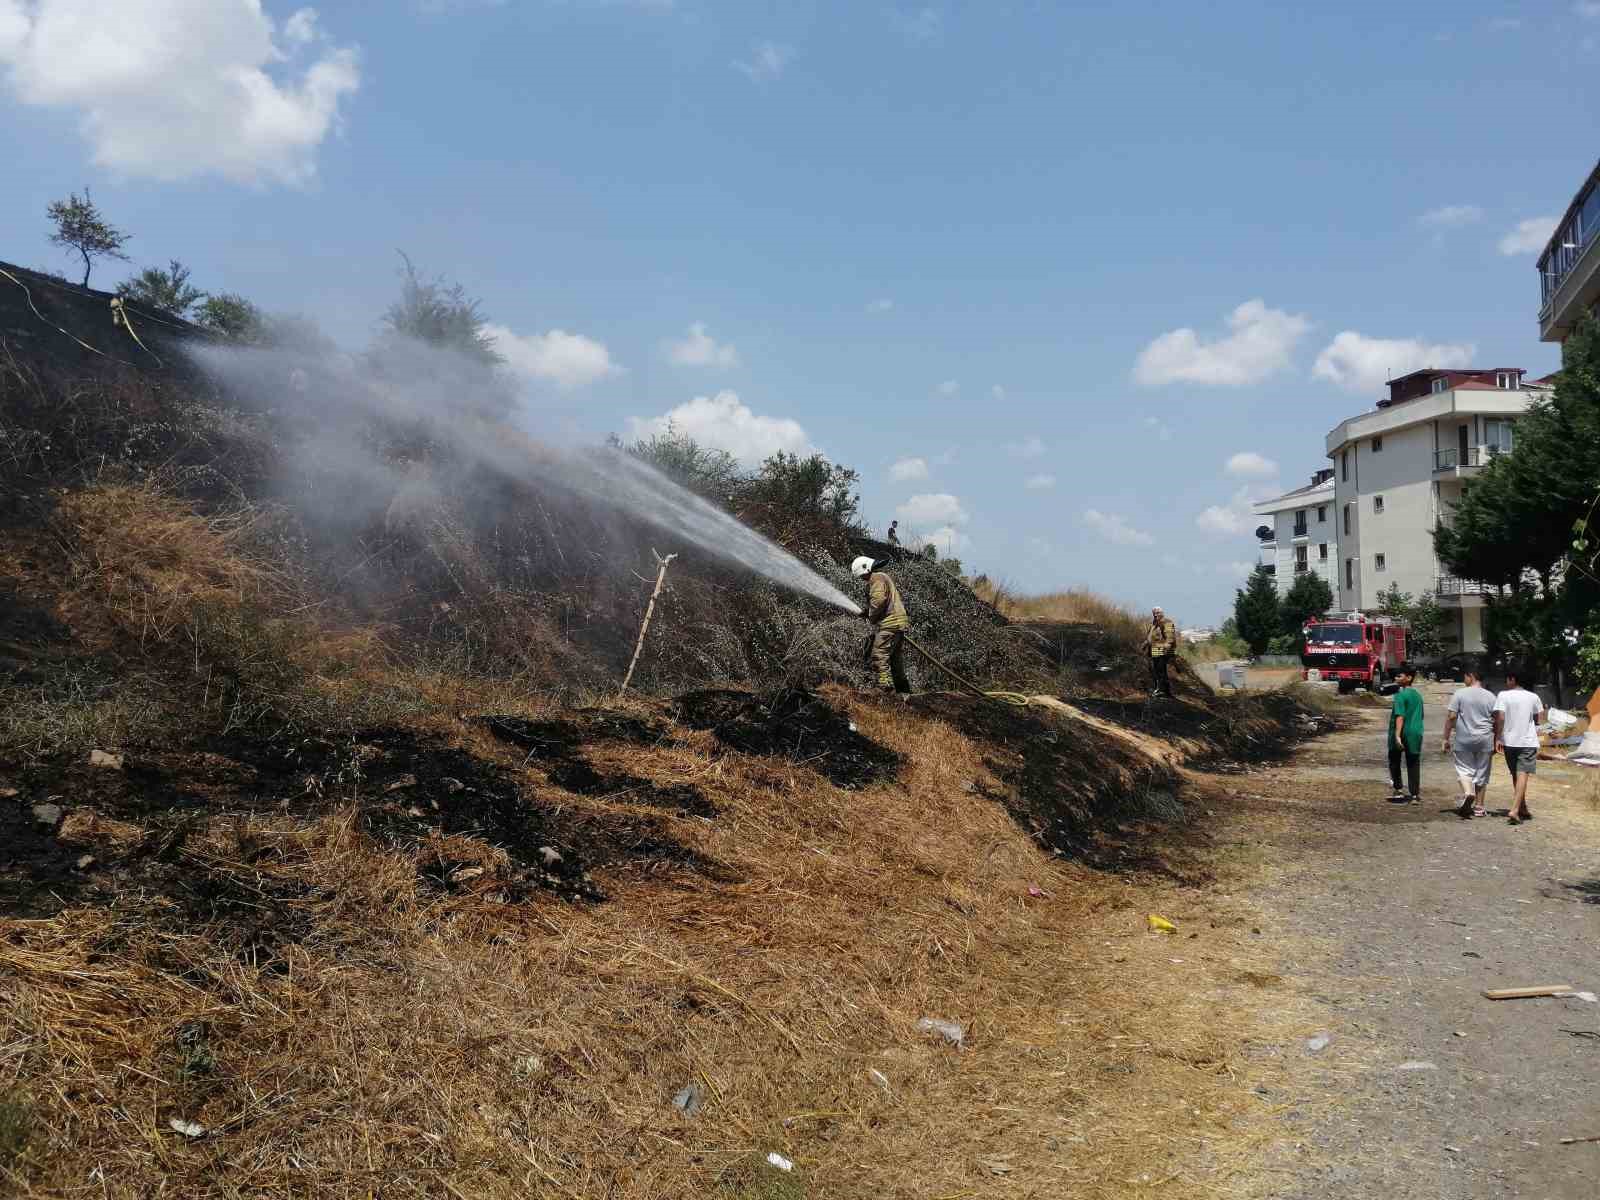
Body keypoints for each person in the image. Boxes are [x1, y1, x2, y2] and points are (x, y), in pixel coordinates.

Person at [851, 555, 911, 695]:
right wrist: (866, 612)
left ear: (865, 569)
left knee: (879, 654)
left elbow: (878, 600)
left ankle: (885, 687)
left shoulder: (876, 578)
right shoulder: (880, 577)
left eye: (861, 576)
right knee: (895, 659)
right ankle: (903, 691)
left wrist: (870, 615)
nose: (861, 579)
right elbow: (879, 601)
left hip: (891, 623)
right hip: (897, 622)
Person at [1442, 667, 1495, 818]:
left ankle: (1468, 792)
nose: (1463, 679)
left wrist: (1445, 738)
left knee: (1464, 768)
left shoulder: (1460, 694)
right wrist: (1498, 738)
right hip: (1485, 739)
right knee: (1482, 772)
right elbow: (1497, 719)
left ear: (1471, 676)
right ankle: (1479, 807)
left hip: (1464, 739)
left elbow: (1452, 717)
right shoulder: (1491, 696)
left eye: (1464, 676)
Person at [1493, 670, 1545, 825]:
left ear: (1512, 679)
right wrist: (1538, 733)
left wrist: (1498, 737)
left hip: (1509, 741)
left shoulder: (1503, 695)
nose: (1506, 683)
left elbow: (1500, 717)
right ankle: (1516, 810)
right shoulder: (1533, 697)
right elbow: (1540, 718)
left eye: (1507, 680)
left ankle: (1521, 807)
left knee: (1516, 775)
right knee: (1522, 775)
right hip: (1527, 741)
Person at [1386, 663, 1423, 804]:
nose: (1396, 677)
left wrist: (1397, 735)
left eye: (1399, 675)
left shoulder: (1400, 695)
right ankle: (1414, 795)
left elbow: (1400, 716)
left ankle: (1398, 790)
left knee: (1394, 760)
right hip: (1416, 732)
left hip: (1401, 732)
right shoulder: (1418, 696)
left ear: (1408, 678)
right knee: (1413, 762)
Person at [1141, 606, 1177, 698]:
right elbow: (1150, 637)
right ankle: (1165, 690)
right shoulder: (1153, 624)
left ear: (1162, 613)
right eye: (1154, 613)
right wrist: (1145, 644)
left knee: (1161, 671)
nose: (1156, 615)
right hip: (1154, 651)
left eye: (1158, 613)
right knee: (1156, 671)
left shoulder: (1167, 622)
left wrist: (1168, 647)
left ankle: (1162, 690)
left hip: (1162, 650)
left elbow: (1170, 636)